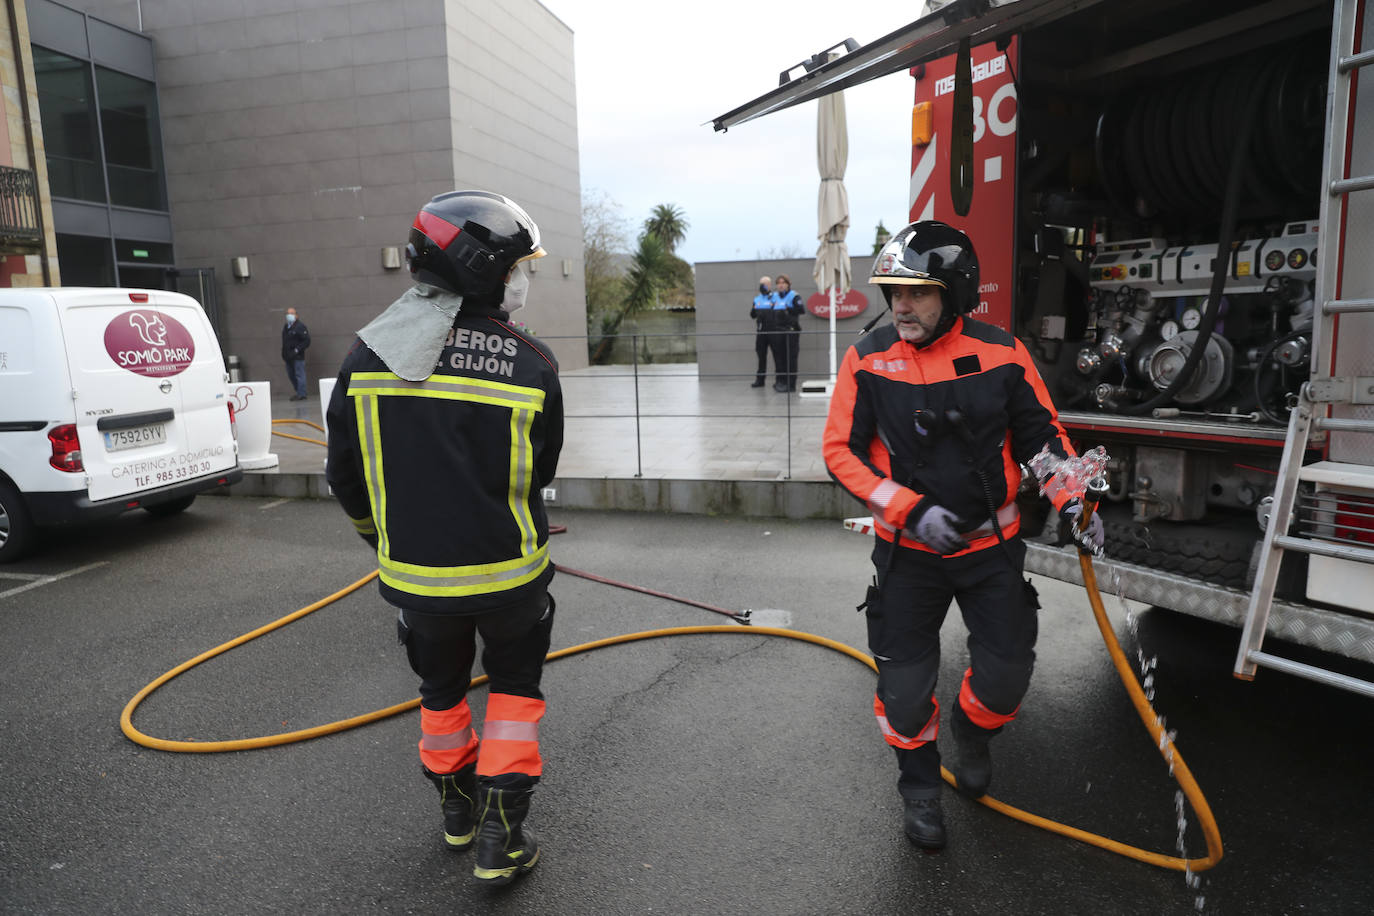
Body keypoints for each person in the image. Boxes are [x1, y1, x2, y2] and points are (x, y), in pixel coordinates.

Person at [821, 220, 1103, 851]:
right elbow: (840, 451)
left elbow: (1042, 439)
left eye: (918, 292)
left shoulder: (1003, 353)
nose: (901, 306)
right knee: (903, 691)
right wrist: (908, 509)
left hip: (991, 552)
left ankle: (973, 732)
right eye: (895, 292)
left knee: (1005, 679)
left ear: (956, 292)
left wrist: (1075, 499)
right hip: (907, 554)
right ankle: (920, 788)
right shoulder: (867, 357)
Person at [325, 190, 563, 886]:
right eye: (518, 267)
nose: (522, 279)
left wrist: (381, 539)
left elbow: (345, 476)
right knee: (513, 693)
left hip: (417, 581)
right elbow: (541, 471)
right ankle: (501, 838)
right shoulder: (531, 361)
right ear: (482, 270)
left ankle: (458, 812)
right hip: (511, 577)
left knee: (440, 692)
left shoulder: (366, 356)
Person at [772, 274, 805, 392]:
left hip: (791, 331)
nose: (781, 285)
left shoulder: (794, 296)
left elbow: (801, 310)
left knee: (791, 358)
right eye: (778, 283)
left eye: (783, 283)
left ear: (788, 284)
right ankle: (781, 382)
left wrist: (787, 308)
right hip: (778, 331)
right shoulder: (774, 297)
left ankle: (791, 385)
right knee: (780, 358)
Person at [748, 275, 774, 387]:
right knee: (761, 356)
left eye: (765, 284)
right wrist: (755, 308)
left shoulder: (774, 297)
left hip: (773, 332)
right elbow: (752, 315)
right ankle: (760, 380)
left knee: (777, 356)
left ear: (770, 285)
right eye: (761, 284)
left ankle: (780, 380)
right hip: (761, 332)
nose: (763, 286)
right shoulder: (757, 299)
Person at [281, 307, 310, 400]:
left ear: (296, 315)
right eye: (288, 313)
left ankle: (302, 394)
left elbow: (306, 341)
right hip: (288, 357)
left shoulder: (300, 326)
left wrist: (297, 350)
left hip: (298, 357)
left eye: (292, 313)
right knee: (291, 375)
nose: (289, 315)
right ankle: (299, 392)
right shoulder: (286, 327)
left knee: (299, 375)